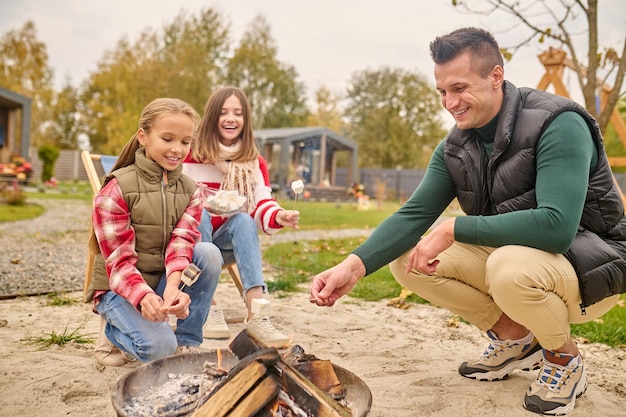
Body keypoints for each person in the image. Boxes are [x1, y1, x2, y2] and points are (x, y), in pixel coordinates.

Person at [310, 27, 625, 416]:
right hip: (521, 262)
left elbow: (557, 228)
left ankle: (564, 360)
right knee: (410, 260)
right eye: (442, 91)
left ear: (496, 76)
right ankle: (516, 339)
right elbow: (413, 215)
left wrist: (454, 227)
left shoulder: (558, 122)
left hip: (592, 264)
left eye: (459, 88)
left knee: (506, 267)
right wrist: (351, 267)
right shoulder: (456, 146)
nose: (449, 102)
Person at [89, 98, 222, 366]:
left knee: (208, 253)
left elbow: (182, 242)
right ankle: (113, 331)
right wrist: (144, 297)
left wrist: (174, 288)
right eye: (167, 139)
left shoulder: (191, 190)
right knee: (159, 349)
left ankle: (186, 342)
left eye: (185, 142)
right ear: (143, 137)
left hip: (161, 279)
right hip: (119, 286)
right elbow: (119, 262)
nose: (177, 149)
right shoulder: (115, 191)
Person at [183, 86, 300, 348]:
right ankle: (207, 305)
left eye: (238, 113)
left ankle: (257, 313)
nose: (231, 118)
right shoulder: (191, 154)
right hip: (189, 249)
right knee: (197, 208)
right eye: (223, 112)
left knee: (244, 220)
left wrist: (279, 215)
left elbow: (261, 202)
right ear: (212, 116)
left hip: (225, 245)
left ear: (245, 120)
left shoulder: (253, 161)